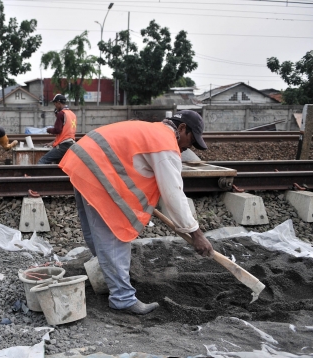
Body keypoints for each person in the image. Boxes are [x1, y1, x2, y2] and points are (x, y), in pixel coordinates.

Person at [59, 110, 214, 315]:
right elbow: (173, 195)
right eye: (190, 141)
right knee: (115, 232)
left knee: (96, 232)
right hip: (96, 169)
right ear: (182, 128)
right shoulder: (165, 143)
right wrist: (196, 233)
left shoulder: (152, 131)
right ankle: (122, 298)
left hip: (83, 160)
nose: (187, 148)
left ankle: (106, 275)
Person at [37, 94, 77, 164]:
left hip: (63, 146)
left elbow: (57, 130)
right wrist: (53, 143)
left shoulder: (61, 114)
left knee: (42, 161)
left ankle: (38, 175)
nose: (55, 106)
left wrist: (49, 130)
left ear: (58, 103)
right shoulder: (72, 114)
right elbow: (65, 134)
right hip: (71, 144)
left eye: (55, 104)